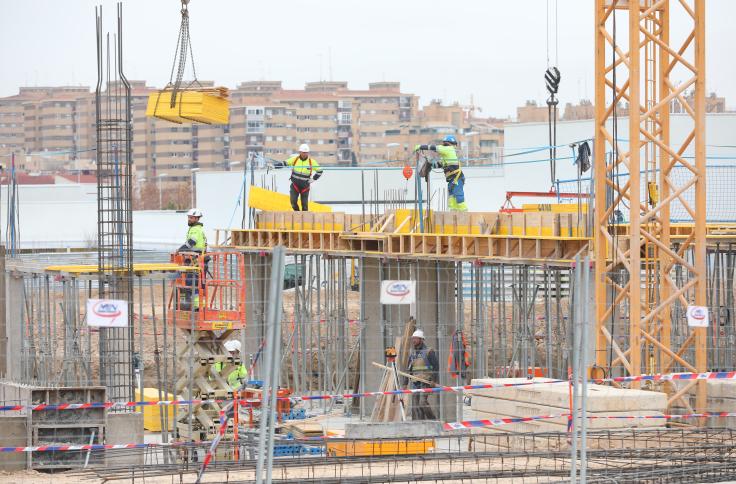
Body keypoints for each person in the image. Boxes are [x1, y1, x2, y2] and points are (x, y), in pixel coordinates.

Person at [414, 135, 468, 211]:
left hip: (457, 179)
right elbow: (438, 165)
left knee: (459, 197)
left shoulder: (448, 149)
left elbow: (433, 147)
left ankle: (464, 214)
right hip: (452, 181)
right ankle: (454, 214)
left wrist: (421, 147)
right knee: (452, 201)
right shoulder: (445, 157)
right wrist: (430, 163)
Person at [278, 143, 323, 211]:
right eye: (303, 152)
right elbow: (284, 163)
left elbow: (320, 171)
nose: (305, 154)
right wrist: (274, 166)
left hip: (305, 186)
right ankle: (297, 214)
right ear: (300, 152)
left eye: (306, 152)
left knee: (305, 206)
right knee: (293, 202)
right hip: (295, 185)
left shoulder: (311, 162)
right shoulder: (295, 159)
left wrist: (314, 179)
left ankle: (305, 220)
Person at [406, 329, 439, 420]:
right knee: (416, 406)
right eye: (413, 338)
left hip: (426, 382)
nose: (414, 340)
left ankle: (433, 420)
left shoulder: (429, 352)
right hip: (415, 383)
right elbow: (409, 370)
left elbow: (436, 367)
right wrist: (405, 384)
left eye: (416, 338)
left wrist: (434, 380)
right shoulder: (412, 354)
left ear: (421, 340)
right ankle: (421, 424)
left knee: (422, 402)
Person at [177, 208, 207, 309]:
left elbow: (191, 242)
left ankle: (196, 307)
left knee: (192, 282)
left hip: (195, 259)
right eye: (189, 217)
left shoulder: (195, 229)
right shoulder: (197, 229)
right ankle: (194, 306)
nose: (189, 219)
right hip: (196, 259)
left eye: (191, 218)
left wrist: (180, 250)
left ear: (197, 219)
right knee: (193, 282)